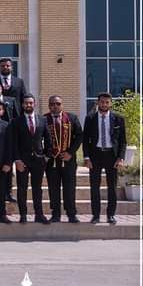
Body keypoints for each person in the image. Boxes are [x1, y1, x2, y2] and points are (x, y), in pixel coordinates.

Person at [83, 92, 127, 224]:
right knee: (94, 187)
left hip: (111, 156)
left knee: (112, 188)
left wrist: (120, 158)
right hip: (95, 155)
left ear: (110, 103)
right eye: (102, 102)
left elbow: (123, 141)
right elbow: (85, 140)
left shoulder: (118, 119)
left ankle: (110, 215)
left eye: (107, 102)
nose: (104, 104)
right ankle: (95, 215)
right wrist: (86, 158)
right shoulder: (90, 118)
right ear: (98, 103)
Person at [44, 96, 83, 224]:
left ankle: (71, 214)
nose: (55, 106)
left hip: (68, 160)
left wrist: (70, 153)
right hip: (51, 161)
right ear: (49, 106)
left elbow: (79, 136)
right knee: (53, 189)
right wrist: (46, 154)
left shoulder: (72, 118)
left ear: (62, 105)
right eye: (52, 104)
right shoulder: (44, 119)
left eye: (58, 103)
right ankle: (55, 214)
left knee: (69, 188)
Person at [12, 95, 49, 224]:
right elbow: (14, 143)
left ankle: (39, 215)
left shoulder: (42, 120)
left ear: (35, 104)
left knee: (37, 188)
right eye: (26, 103)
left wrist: (46, 156)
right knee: (22, 188)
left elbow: (48, 139)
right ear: (22, 105)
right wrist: (17, 160)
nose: (28, 105)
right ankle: (23, 215)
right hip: (23, 161)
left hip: (39, 160)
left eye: (31, 103)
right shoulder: (16, 121)